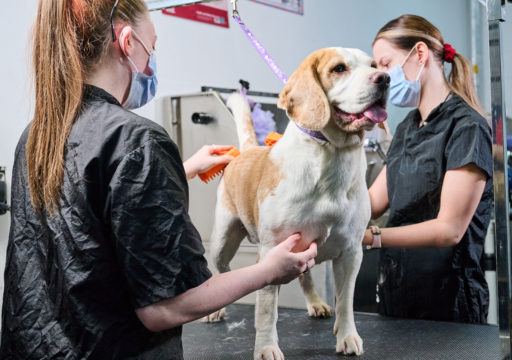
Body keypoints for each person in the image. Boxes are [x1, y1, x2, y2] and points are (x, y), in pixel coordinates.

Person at [0, 0, 317, 358]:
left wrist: (178, 170)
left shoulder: (37, 135)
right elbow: (165, 308)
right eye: (153, 47)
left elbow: (87, 210)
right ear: (128, 42)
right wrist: (268, 270)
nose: (152, 60)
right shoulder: (138, 141)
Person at [363, 14, 493, 324]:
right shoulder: (408, 126)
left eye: (385, 64)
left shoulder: (467, 127)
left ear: (419, 54)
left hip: (449, 300)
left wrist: (370, 237)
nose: (381, 76)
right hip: (398, 291)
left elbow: (449, 230)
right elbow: (373, 200)